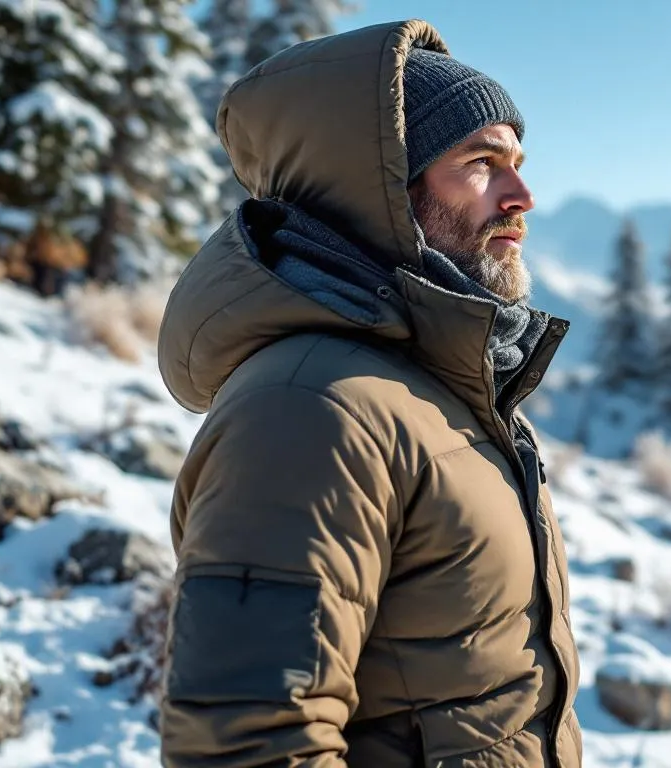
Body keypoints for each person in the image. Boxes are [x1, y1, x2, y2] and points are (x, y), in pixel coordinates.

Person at [155, 19, 581, 767]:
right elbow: (248, 746)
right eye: (482, 163)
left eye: (517, 161)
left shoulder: (436, 388)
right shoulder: (311, 408)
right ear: (380, 189)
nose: (522, 195)